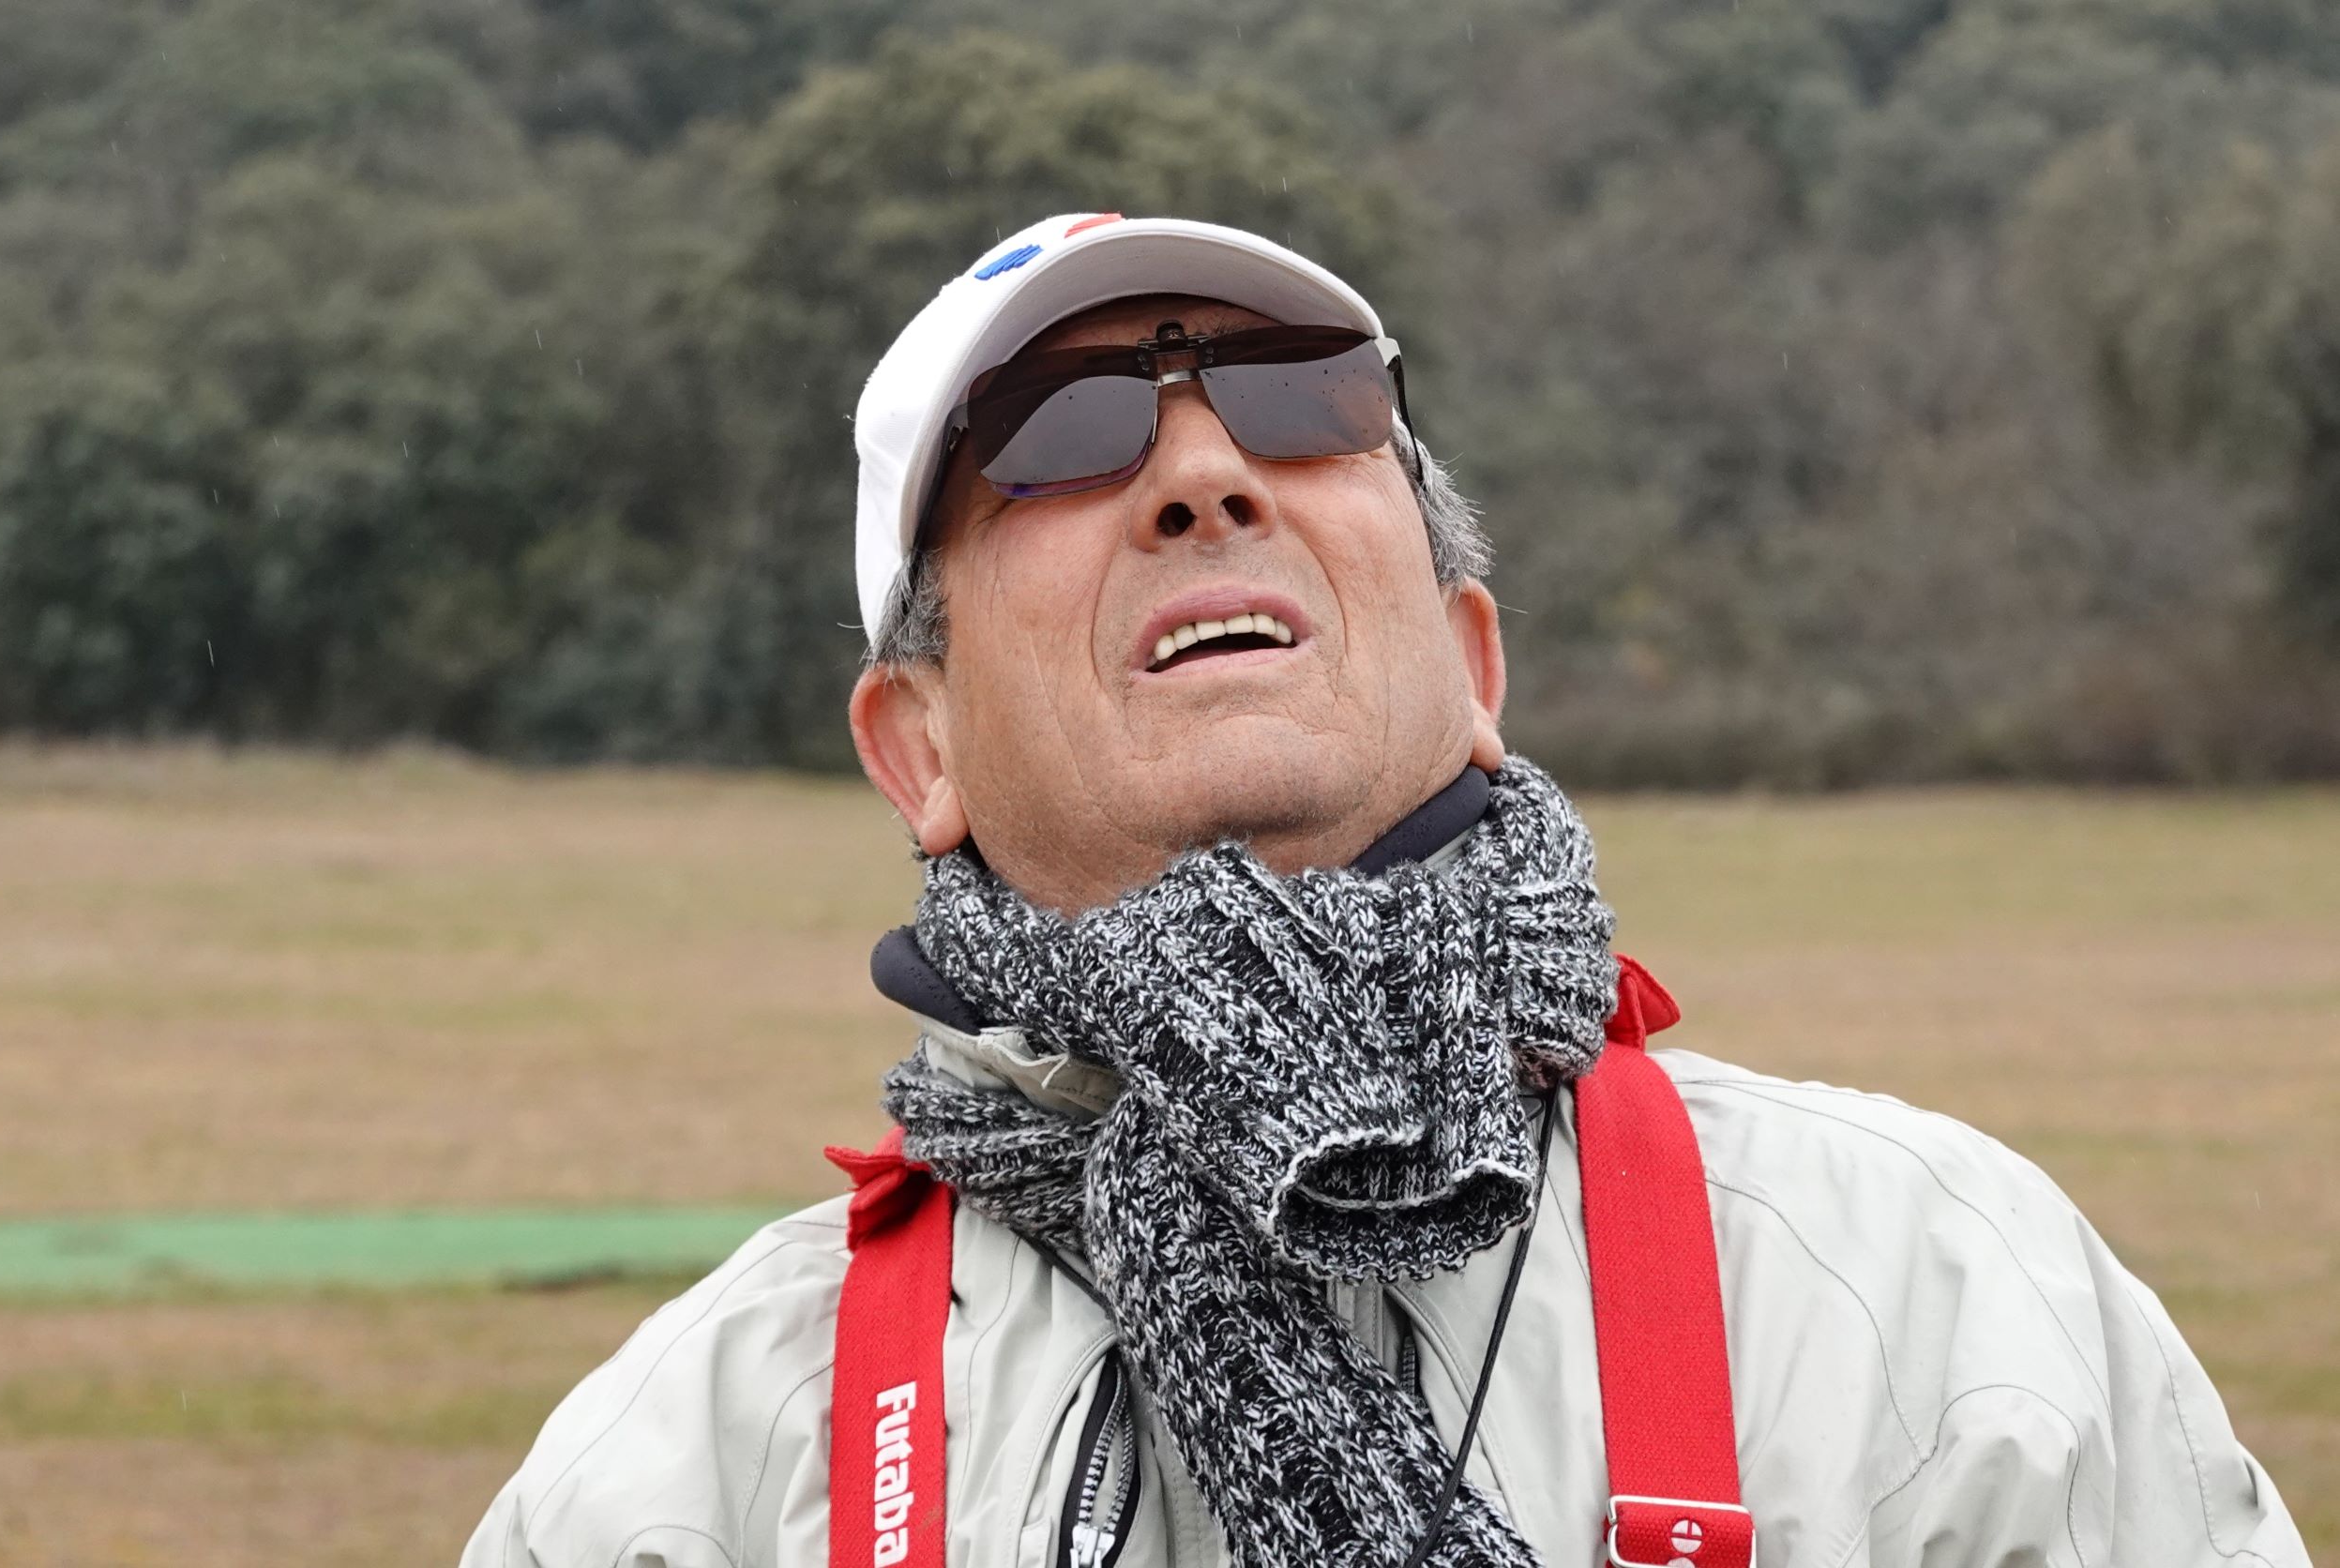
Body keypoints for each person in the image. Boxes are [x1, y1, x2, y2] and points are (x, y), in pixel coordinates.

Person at [460, 214, 2309, 1568]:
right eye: (1055, 433)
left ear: (1475, 661)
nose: (1203, 472)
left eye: (1304, 402)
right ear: (914, 750)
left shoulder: (1934, 1300)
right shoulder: (701, 1465)